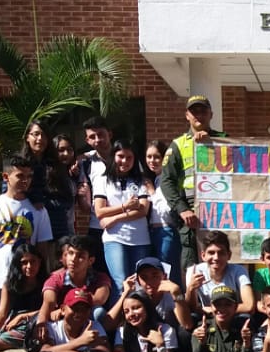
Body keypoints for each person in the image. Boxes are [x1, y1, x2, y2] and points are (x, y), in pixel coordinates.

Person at [0, 156, 53, 349]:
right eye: (20, 176)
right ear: (6, 177)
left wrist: (44, 280)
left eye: (29, 176)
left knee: (19, 334)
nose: (25, 180)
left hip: (23, 284)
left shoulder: (38, 210)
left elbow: (42, 248)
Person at [158, 94, 229, 273]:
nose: (199, 115)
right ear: (187, 115)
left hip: (223, 209)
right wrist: (182, 209)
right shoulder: (178, 145)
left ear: (211, 114)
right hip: (191, 212)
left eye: (203, 111)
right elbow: (166, 181)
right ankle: (193, 292)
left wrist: (212, 143)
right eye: (194, 111)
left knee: (223, 256)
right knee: (191, 263)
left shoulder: (225, 140)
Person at [93, 138, 152, 299]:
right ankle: (118, 315)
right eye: (121, 156)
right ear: (113, 156)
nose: (125, 161)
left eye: (129, 157)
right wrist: (126, 206)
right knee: (120, 283)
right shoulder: (102, 180)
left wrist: (115, 219)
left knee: (139, 284)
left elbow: (143, 210)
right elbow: (100, 211)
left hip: (140, 239)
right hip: (114, 239)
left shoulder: (140, 181)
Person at [18, 121, 75, 252]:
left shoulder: (55, 164)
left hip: (56, 226)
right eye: (36, 134)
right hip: (27, 224)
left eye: (44, 135)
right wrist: (35, 201)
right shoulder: (18, 164)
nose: (40, 139)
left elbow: (67, 197)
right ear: (27, 137)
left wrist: (47, 205)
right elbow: (11, 193)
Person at [37, 235, 113, 330]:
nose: (73, 259)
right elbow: (48, 303)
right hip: (62, 324)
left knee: (98, 312)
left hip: (88, 323)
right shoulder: (56, 279)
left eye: (80, 256)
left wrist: (65, 309)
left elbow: (99, 299)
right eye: (70, 253)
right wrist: (41, 326)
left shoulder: (100, 278)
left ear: (90, 261)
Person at [109, 289, 180, 352]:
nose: (131, 314)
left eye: (136, 308)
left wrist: (160, 345)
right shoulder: (121, 331)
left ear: (147, 308)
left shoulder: (166, 330)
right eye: (126, 311)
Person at [75, 115, 115, 275]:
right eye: (92, 137)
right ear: (87, 140)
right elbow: (85, 206)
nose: (97, 140)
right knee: (99, 274)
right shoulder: (85, 163)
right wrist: (82, 196)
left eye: (101, 134)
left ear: (109, 134)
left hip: (125, 227)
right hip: (97, 227)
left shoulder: (124, 157)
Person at [186, 230, 256, 320]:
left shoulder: (239, 271)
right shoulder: (194, 271)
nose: (216, 258)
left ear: (229, 255)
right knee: (191, 318)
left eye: (221, 253)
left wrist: (215, 310)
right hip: (207, 317)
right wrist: (190, 289)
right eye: (211, 253)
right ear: (203, 255)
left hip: (232, 316)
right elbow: (190, 308)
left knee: (245, 318)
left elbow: (249, 306)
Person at [42, 287, 111, 352]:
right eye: (75, 308)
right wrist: (80, 341)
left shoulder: (94, 326)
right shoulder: (53, 328)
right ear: (63, 309)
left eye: (84, 309)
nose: (80, 313)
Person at [143, 139, 178, 281]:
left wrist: (152, 192)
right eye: (149, 157)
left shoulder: (167, 179)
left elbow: (166, 211)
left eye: (157, 157)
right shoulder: (157, 178)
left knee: (167, 273)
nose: (152, 161)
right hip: (154, 231)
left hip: (166, 230)